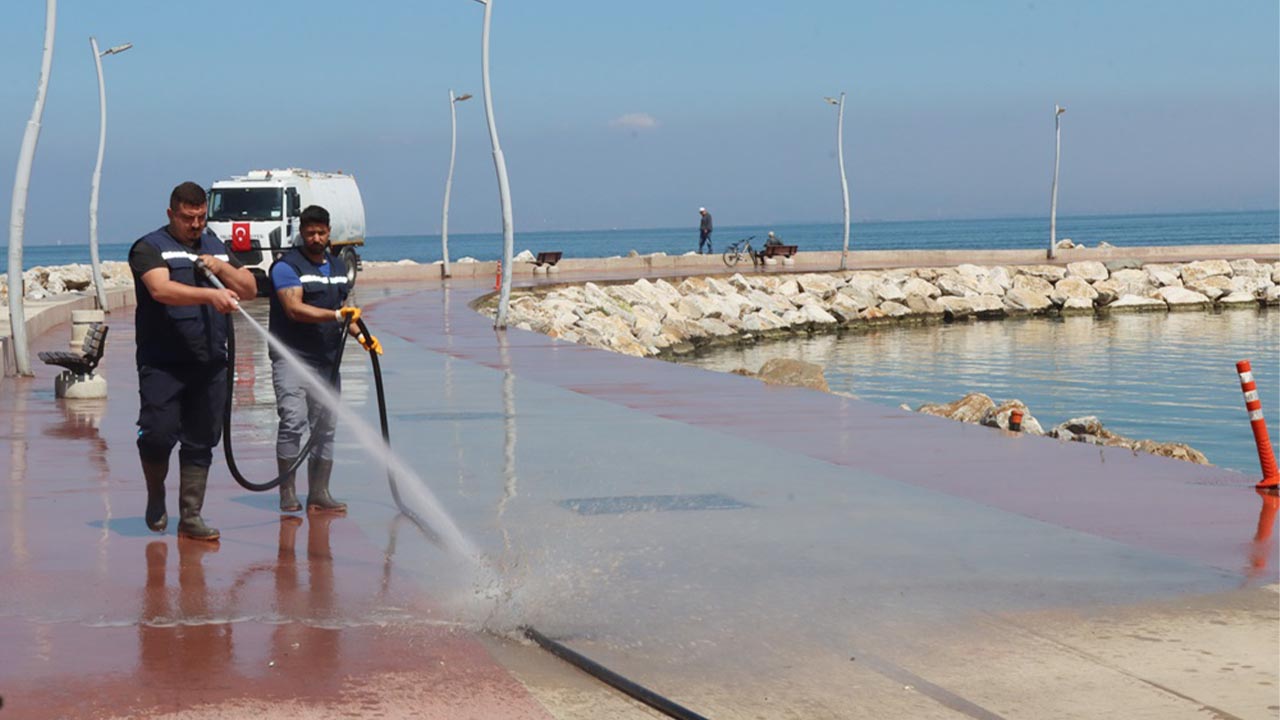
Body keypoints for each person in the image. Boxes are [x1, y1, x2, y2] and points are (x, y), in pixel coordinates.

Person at [130, 181, 258, 542]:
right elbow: (161, 290)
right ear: (172, 214)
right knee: (157, 434)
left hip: (211, 362)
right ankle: (156, 495)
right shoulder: (149, 247)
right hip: (163, 363)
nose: (196, 225)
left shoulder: (215, 244)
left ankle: (191, 515)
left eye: (201, 217)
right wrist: (208, 296)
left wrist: (221, 266)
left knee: (202, 439)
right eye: (188, 218)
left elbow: (248, 288)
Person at [268, 205, 380, 514]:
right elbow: (293, 308)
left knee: (325, 425)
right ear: (301, 233)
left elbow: (346, 312)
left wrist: (362, 337)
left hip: (327, 359)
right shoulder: (286, 266)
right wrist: (334, 315)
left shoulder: (337, 266)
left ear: (329, 232)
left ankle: (319, 493)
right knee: (292, 421)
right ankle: (287, 492)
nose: (315, 238)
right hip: (291, 356)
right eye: (309, 233)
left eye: (321, 232)